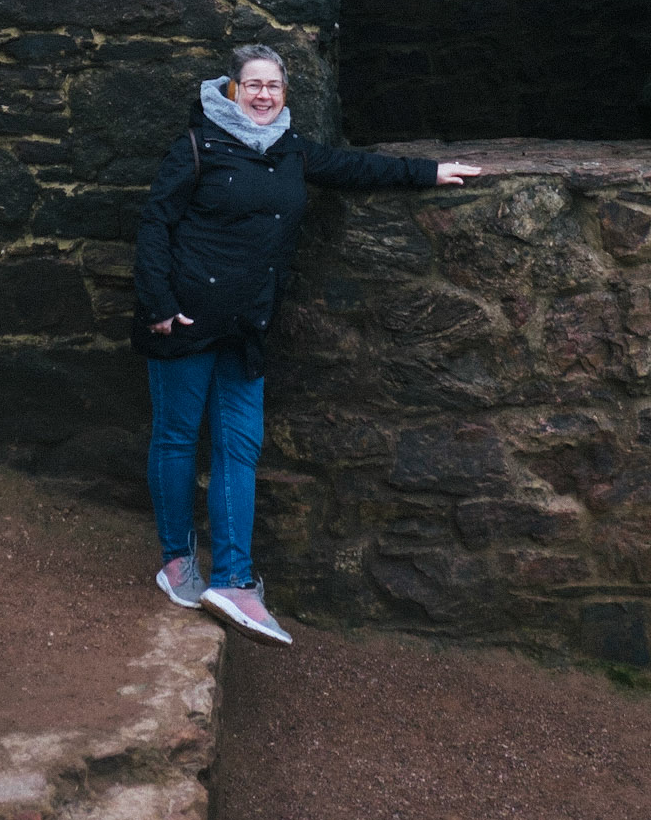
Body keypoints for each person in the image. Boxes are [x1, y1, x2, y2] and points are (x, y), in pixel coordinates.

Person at [132, 43, 481, 646]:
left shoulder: (290, 151)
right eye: (253, 85)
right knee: (177, 437)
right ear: (232, 89)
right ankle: (175, 561)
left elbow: (351, 168)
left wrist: (428, 171)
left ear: (284, 94)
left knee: (240, 447)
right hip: (186, 321)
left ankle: (234, 581)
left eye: (273, 86)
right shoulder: (198, 145)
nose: (263, 94)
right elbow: (155, 224)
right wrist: (160, 306)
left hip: (248, 327)